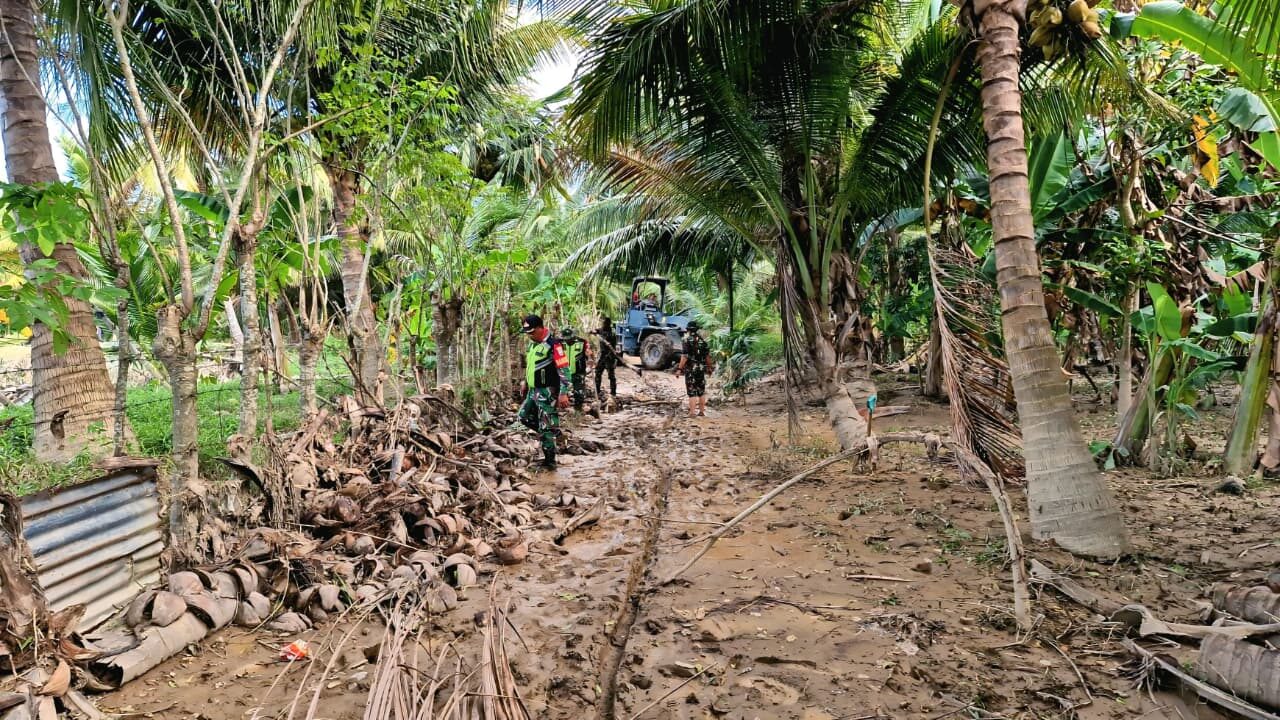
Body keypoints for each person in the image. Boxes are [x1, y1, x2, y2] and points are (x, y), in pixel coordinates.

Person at [518, 314, 571, 469]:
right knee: (523, 417)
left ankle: (550, 462)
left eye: (532, 332)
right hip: (533, 391)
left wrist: (563, 393)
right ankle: (553, 432)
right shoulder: (533, 345)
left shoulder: (553, 345)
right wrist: (525, 382)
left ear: (541, 328)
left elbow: (564, 370)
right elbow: (531, 366)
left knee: (545, 427)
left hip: (548, 392)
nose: (529, 336)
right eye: (527, 333)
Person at [675, 320, 712, 417]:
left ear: (687, 330)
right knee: (701, 390)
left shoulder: (686, 340)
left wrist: (679, 369)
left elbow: (685, 356)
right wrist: (709, 368)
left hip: (690, 369)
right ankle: (702, 412)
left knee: (692, 391)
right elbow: (707, 356)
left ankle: (692, 413)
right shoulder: (702, 340)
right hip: (700, 368)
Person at [562, 326, 589, 410]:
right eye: (565, 338)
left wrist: (590, 356)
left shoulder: (582, 342)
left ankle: (578, 410)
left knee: (579, 393)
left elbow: (589, 353)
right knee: (561, 392)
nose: (567, 339)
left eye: (569, 337)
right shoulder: (559, 343)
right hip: (563, 372)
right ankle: (561, 410)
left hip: (578, 371)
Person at [592, 317, 619, 402]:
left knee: (611, 376)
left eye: (605, 323)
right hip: (602, 355)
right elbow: (594, 331)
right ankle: (597, 391)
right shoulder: (601, 330)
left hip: (610, 356)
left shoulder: (612, 333)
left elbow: (613, 345)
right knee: (598, 373)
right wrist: (594, 332)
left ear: (608, 324)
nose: (603, 324)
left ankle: (613, 393)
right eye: (603, 322)